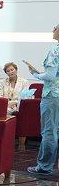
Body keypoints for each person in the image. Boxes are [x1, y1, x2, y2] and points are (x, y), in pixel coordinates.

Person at [25, 22, 59, 175]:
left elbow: (50, 76)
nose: (53, 29)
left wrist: (36, 74)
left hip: (52, 96)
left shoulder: (55, 51)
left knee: (49, 132)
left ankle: (44, 167)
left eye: (56, 27)